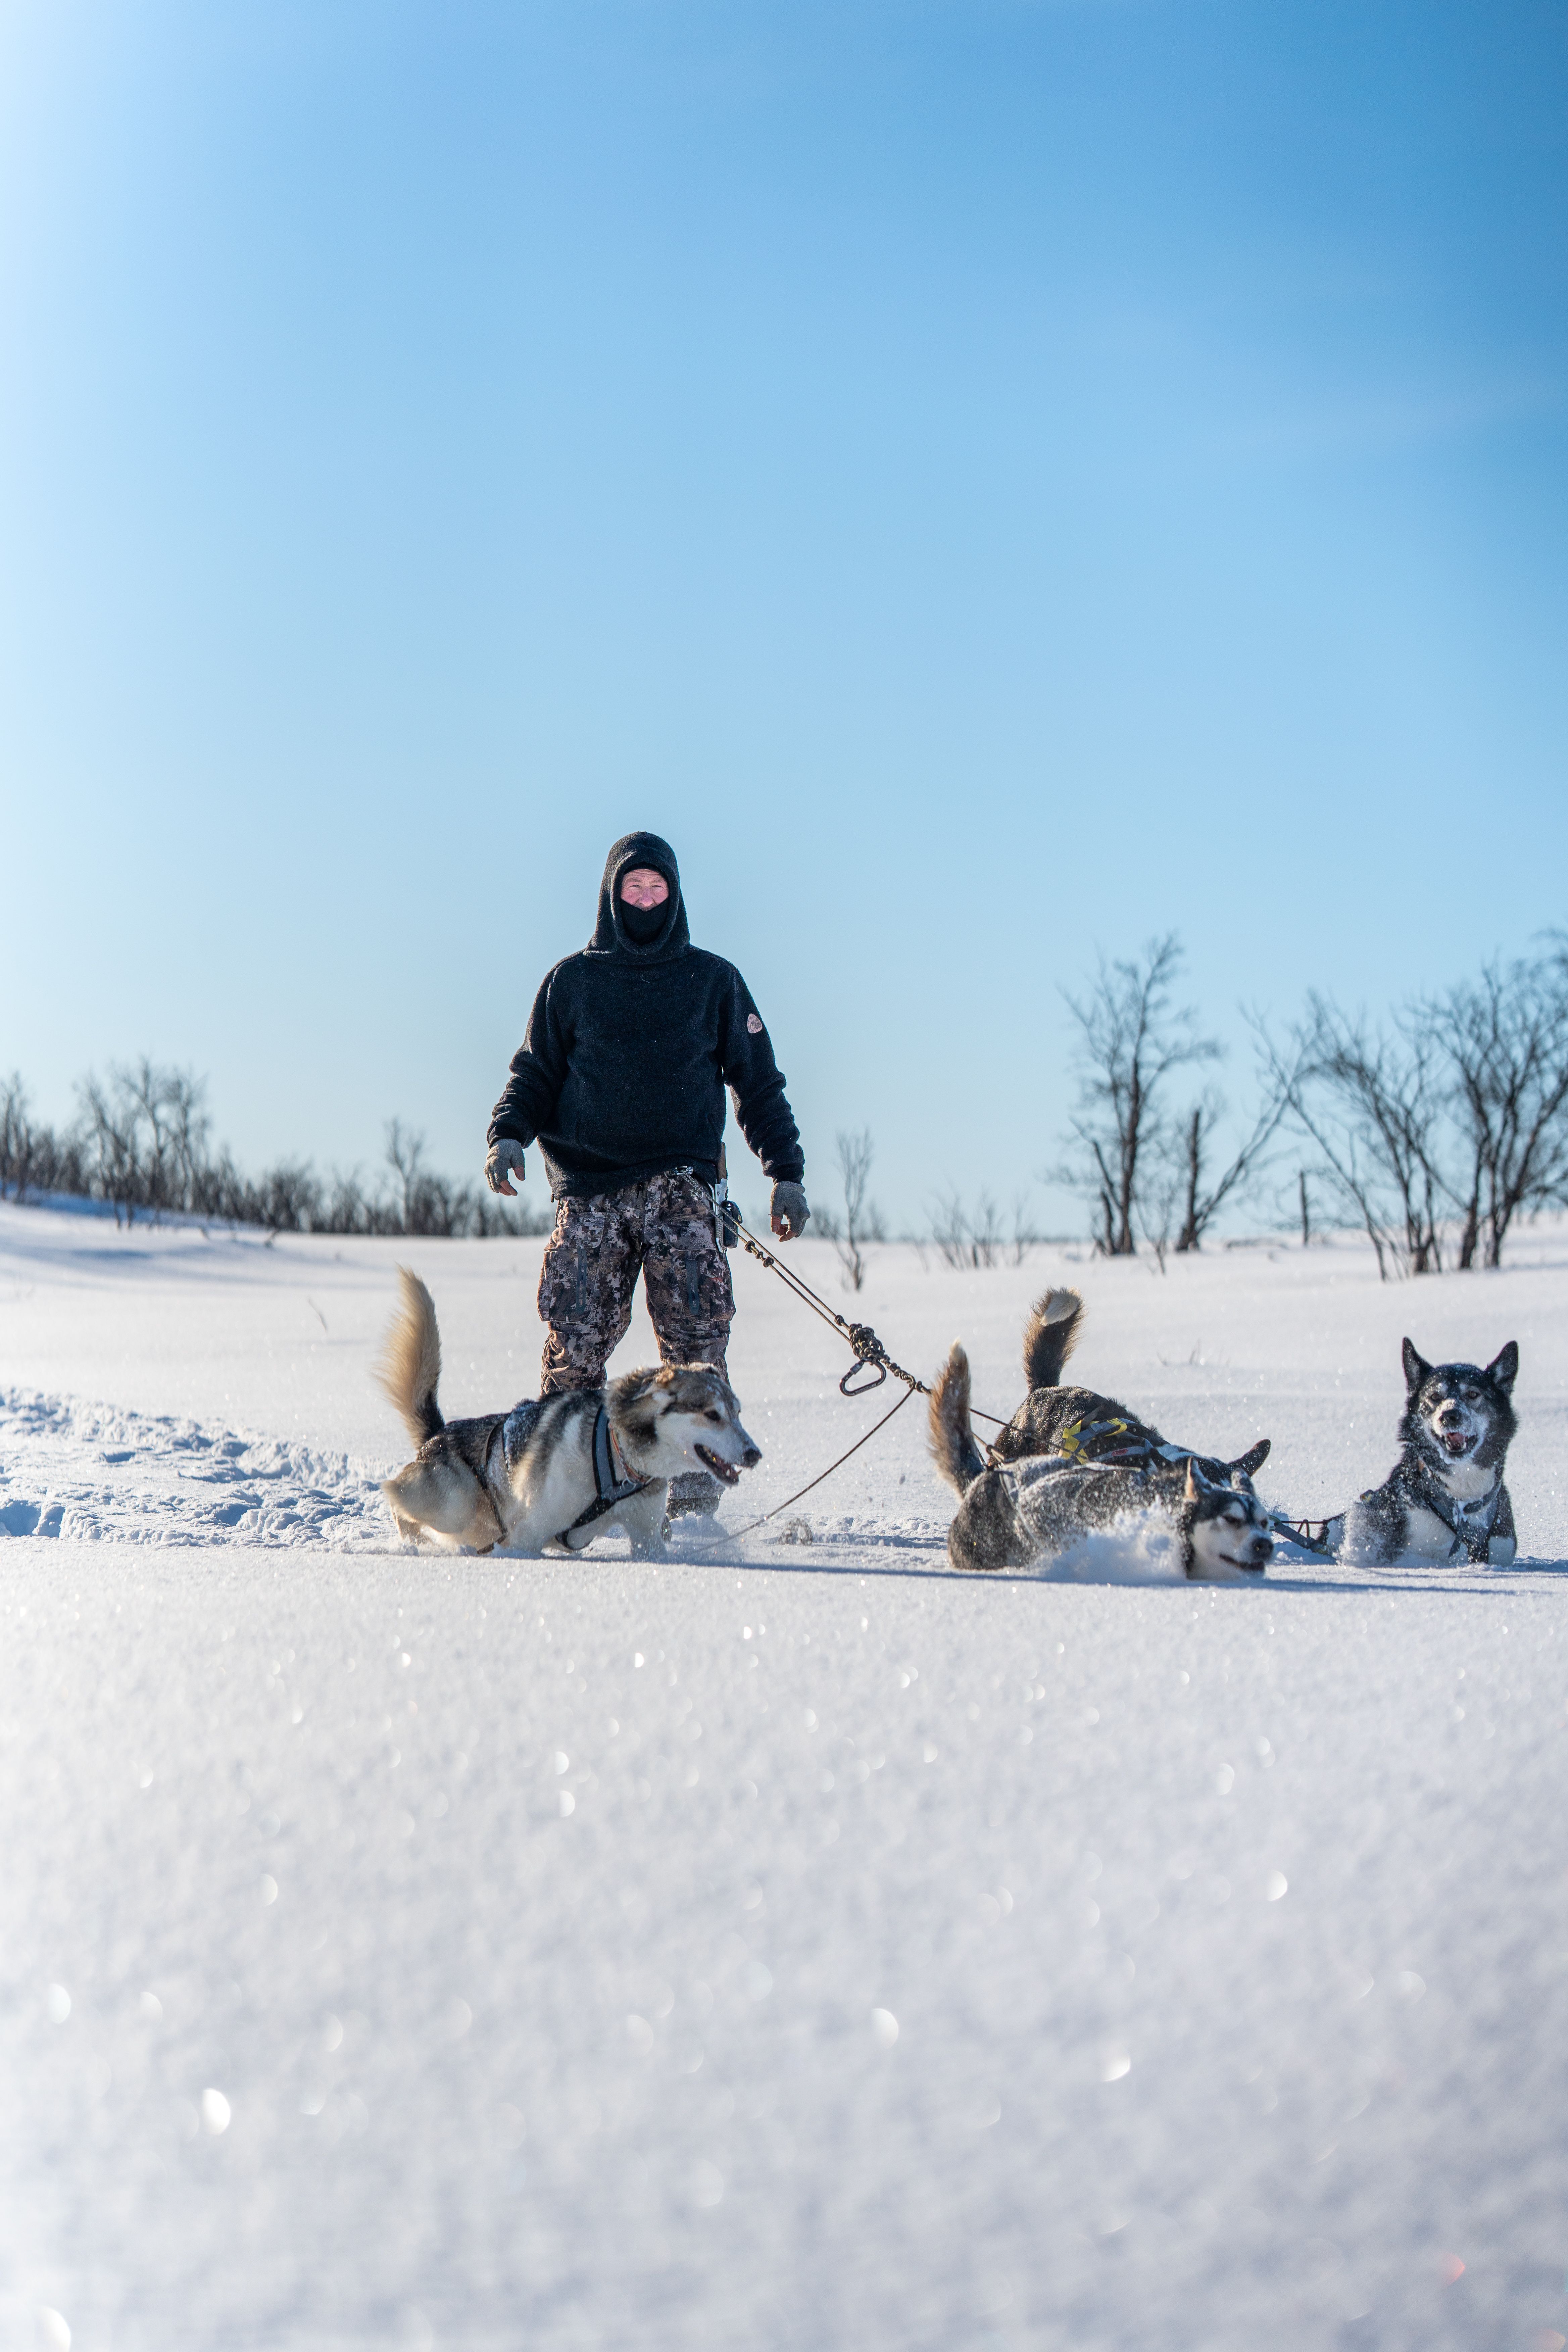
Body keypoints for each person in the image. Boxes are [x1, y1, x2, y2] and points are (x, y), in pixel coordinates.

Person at [485, 830, 810, 1514]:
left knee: (698, 1358)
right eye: (632, 889)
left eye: (656, 888)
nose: (644, 899)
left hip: (682, 1193)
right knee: (573, 1356)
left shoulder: (712, 981)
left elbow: (758, 1085)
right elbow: (534, 1075)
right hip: (590, 1195)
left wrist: (784, 1172)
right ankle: (558, 1498)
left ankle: (692, 1515)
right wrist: (508, 1135)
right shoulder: (571, 982)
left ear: (675, 896)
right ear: (611, 896)